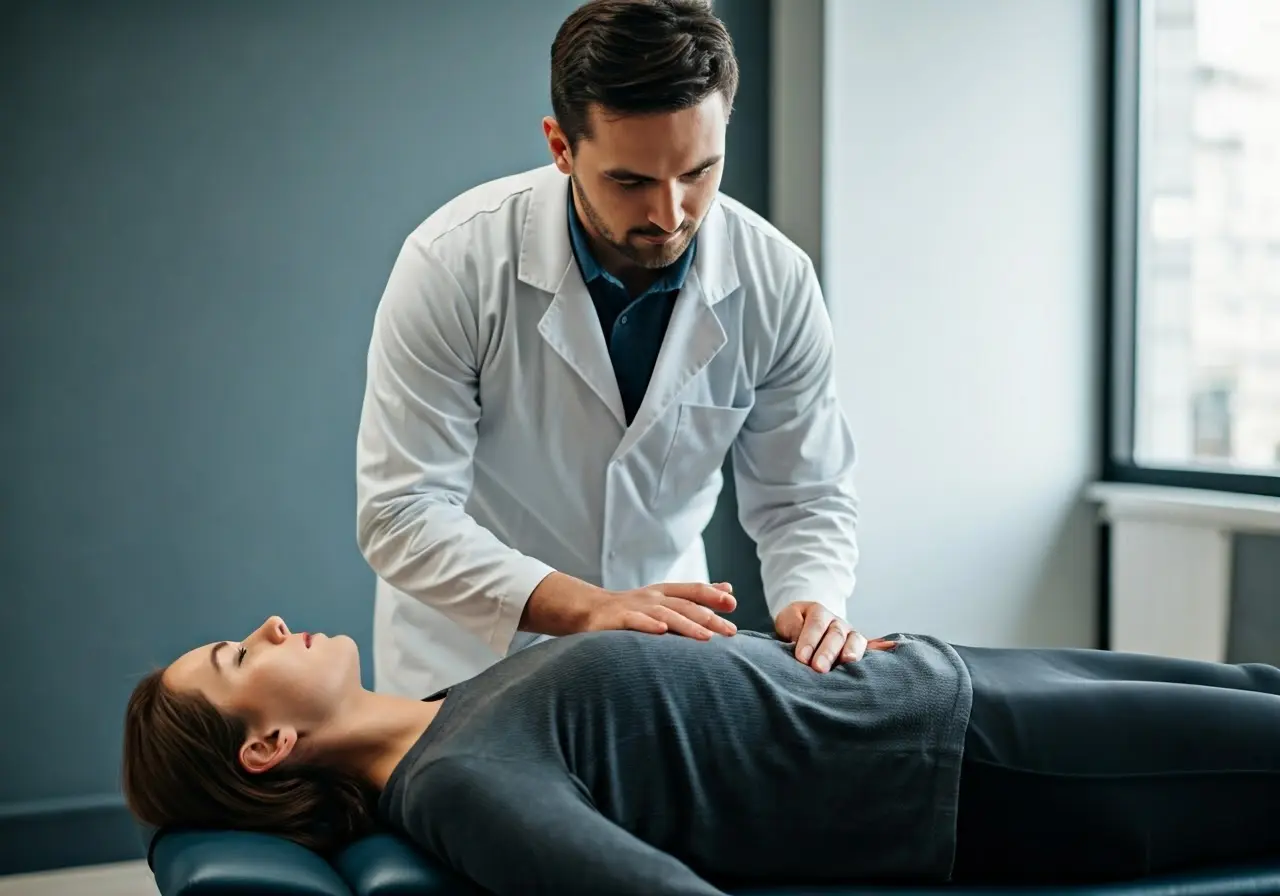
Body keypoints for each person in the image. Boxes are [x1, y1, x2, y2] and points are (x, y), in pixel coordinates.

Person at [355, 0, 865, 700]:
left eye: (698, 172)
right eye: (630, 181)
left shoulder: (776, 279)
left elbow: (804, 497)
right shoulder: (453, 262)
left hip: (661, 662)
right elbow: (402, 513)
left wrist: (811, 599)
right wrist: (591, 607)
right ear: (561, 147)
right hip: (467, 664)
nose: (670, 213)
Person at [124, 615, 1280, 893]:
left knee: (1253, 683)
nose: (269, 628)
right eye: (238, 653)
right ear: (269, 745)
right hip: (975, 763)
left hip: (945, 672)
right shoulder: (458, 785)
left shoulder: (446, 705)